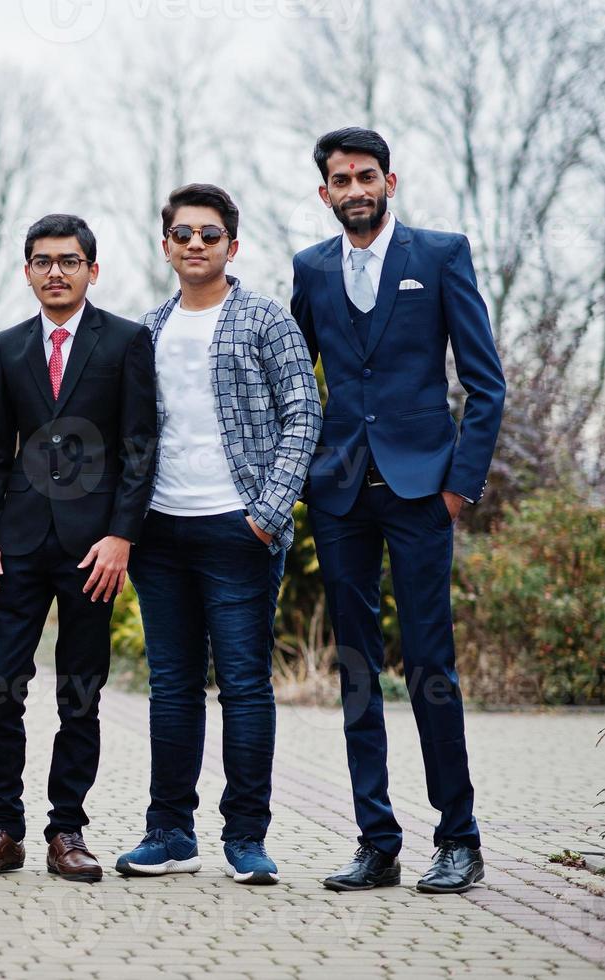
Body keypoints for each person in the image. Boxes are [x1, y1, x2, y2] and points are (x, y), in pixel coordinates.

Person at [291, 127, 505, 894]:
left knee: (429, 666)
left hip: (421, 491)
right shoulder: (309, 270)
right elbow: (294, 381)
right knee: (354, 668)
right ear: (324, 193)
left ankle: (459, 839)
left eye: (366, 176)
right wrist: (301, 471)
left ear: (389, 181)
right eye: (340, 179)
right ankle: (375, 844)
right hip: (340, 493)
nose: (354, 188)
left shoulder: (440, 254)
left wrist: (458, 486)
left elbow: (486, 385)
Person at [113, 184, 319, 886]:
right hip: (160, 532)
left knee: (242, 686)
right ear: (164, 245)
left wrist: (266, 510)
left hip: (239, 530)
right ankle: (169, 833)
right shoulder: (146, 328)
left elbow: (303, 413)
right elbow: (133, 434)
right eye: (181, 234)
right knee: (170, 687)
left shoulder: (264, 318)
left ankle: (246, 838)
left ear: (232, 245)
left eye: (208, 234)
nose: (194, 244)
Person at [0, 214, 157, 883]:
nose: (55, 272)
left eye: (69, 261)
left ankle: (66, 830)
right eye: (41, 261)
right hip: (17, 544)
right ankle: (1, 828)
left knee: (80, 693)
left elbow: (138, 448)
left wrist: (121, 536)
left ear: (92, 270)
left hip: (93, 547)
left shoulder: (125, 341)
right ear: (27, 271)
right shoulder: (9, 346)